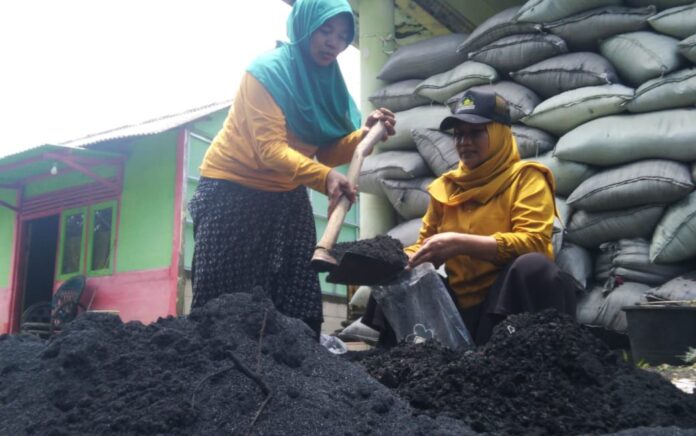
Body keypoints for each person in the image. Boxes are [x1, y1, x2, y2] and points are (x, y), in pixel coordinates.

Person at [188, 0, 395, 338]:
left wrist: (363, 135)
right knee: (223, 301)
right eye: (325, 30)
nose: (334, 42)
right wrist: (324, 178)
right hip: (231, 188)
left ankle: (299, 369)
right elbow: (269, 151)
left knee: (297, 293)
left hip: (285, 192)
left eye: (343, 36)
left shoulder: (327, 83)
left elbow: (326, 151)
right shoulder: (266, 73)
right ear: (304, 25)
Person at [365, 89, 578, 346]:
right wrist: (393, 259)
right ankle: (396, 371)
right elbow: (424, 247)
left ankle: (538, 362)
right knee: (397, 272)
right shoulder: (446, 187)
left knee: (533, 268)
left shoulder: (526, 177)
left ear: (500, 133)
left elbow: (533, 241)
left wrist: (461, 244)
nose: (464, 142)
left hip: (504, 308)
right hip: (456, 310)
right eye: (459, 134)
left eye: (475, 132)